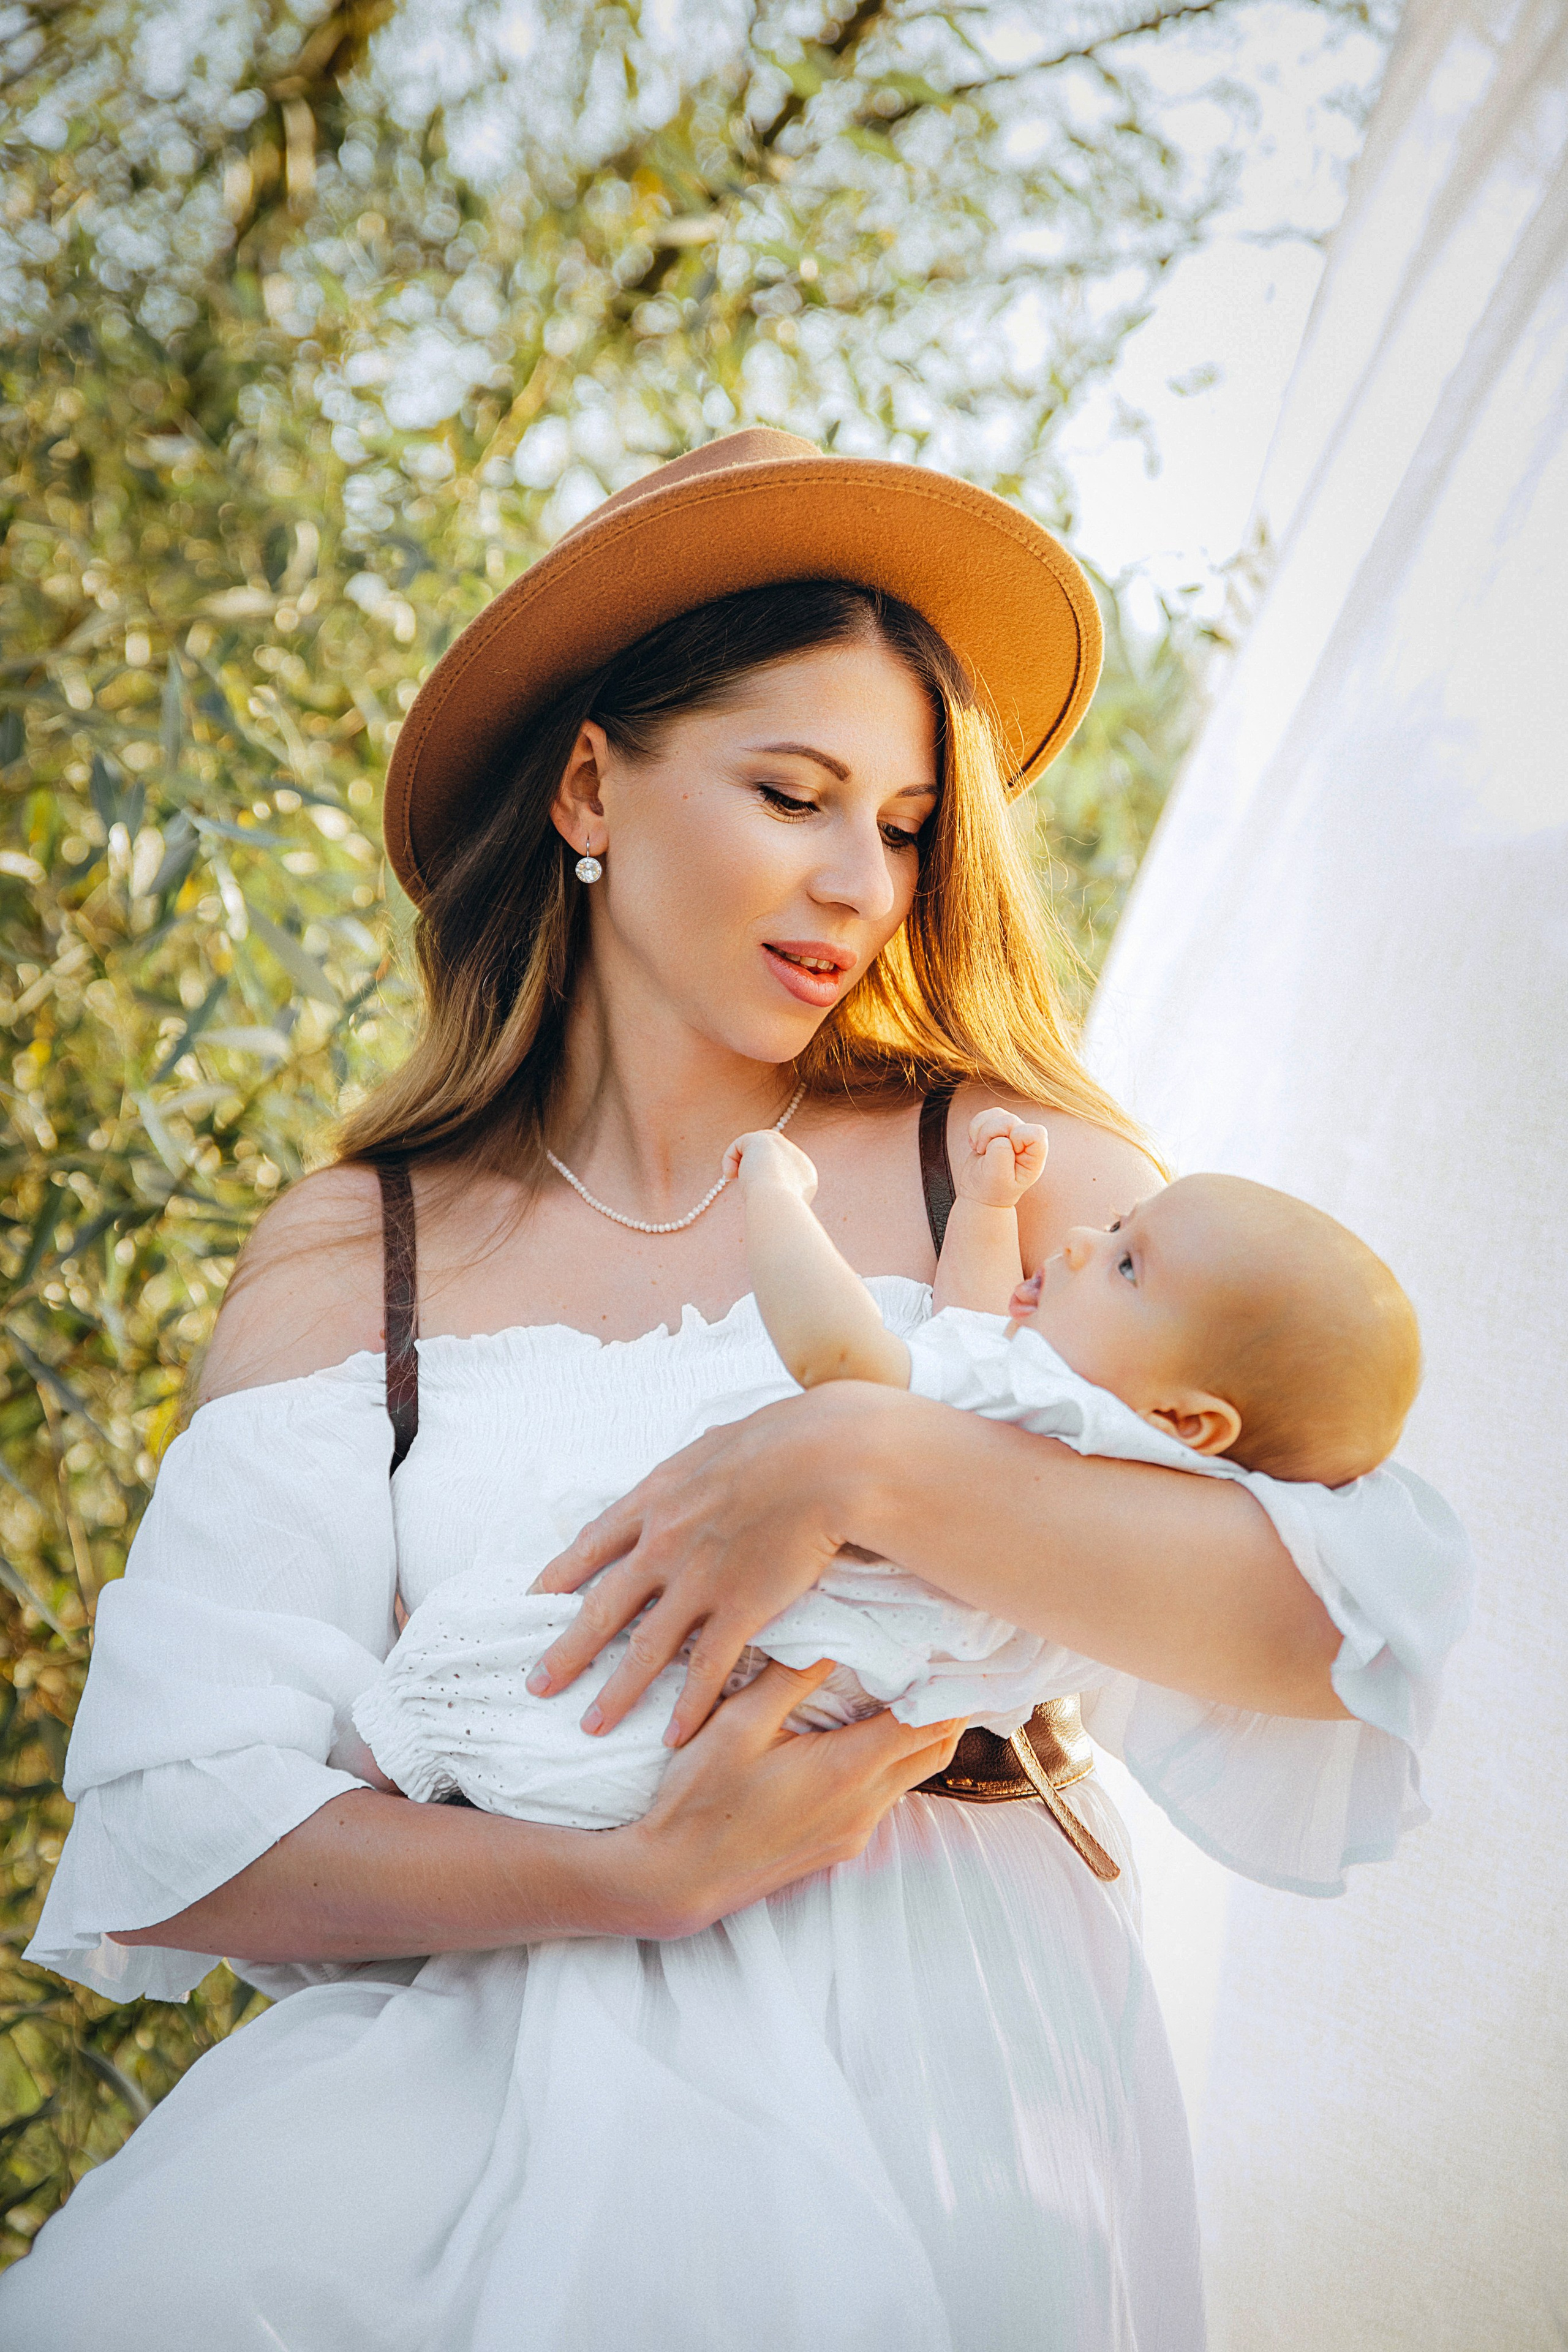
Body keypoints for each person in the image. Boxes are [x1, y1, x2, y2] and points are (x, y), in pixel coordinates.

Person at [1, 431, 1472, 2352]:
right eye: (795, 793)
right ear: (593, 784)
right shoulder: (355, 1247)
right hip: (464, 2091)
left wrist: (853, 1452)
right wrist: (631, 1873)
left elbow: (1341, 1620)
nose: (861, 882)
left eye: (911, 825)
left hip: (948, 2067)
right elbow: (190, 1819)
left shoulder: (1015, 1179)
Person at [351, 1112, 1424, 1838]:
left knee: (488, 1703)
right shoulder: (1092, 1457)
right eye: (1117, 1227)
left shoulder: (1059, 1423)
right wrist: (994, 1213)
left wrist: (776, 1193)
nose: (1090, 1241)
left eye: (1132, 1263)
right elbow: (969, 1335)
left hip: (719, 1679)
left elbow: (846, 1367)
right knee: (485, 1710)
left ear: (1189, 1417)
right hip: (778, 1691)